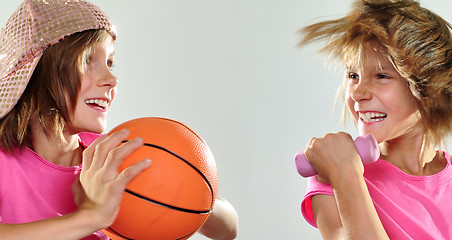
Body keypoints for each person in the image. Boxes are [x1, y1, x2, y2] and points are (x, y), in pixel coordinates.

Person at [0, 0, 238, 239]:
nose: (111, 78)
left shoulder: (110, 157)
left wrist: (189, 189)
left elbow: (229, 229)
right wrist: (90, 217)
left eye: (110, 63)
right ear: (37, 70)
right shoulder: (4, 161)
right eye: (86, 61)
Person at [297, 0, 452, 239]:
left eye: (381, 75)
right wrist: (345, 176)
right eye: (353, 75)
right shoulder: (330, 175)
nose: (357, 93)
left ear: (429, 89)